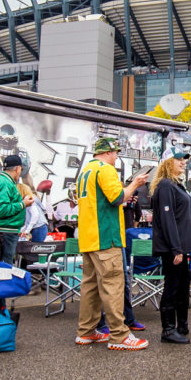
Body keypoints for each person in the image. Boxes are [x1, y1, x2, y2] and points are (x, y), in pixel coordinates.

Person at [75, 138, 149, 351]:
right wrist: (135, 184)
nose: (116, 156)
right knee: (114, 285)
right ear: (108, 152)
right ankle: (119, 335)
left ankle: (86, 331)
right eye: (115, 152)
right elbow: (117, 197)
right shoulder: (105, 170)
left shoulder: (86, 170)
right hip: (106, 237)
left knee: (90, 286)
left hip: (89, 238)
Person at [150, 147, 191, 344]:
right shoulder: (166, 186)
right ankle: (168, 330)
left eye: (184, 160)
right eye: (179, 159)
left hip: (180, 246)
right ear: (168, 162)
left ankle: (182, 325)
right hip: (173, 248)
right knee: (173, 286)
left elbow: (176, 214)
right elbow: (168, 220)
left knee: (182, 285)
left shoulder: (176, 185)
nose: (183, 162)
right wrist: (176, 249)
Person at [0, 154, 34, 264]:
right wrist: (23, 204)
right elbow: (1, 210)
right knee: (5, 268)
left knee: (0, 266)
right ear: (17, 168)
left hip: (2, 230)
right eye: (21, 169)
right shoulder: (5, 183)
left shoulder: (1, 181)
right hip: (5, 232)